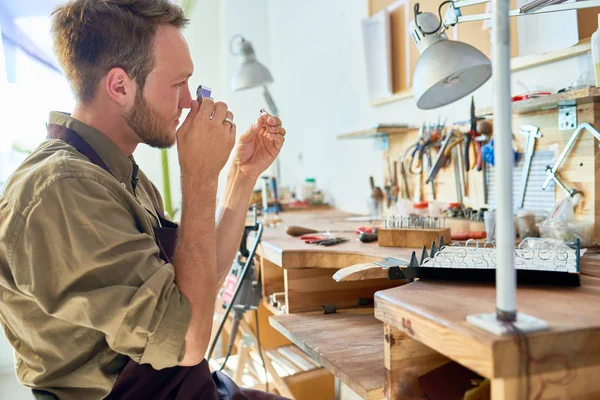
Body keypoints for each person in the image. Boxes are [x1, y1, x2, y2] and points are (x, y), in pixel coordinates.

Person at [0, 1, 287, 399]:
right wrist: (199, 176)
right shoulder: (62, 189)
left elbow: (197, 290)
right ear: (119, 86)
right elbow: (187, 341)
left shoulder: (115, 171)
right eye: (177, 84)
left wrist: (241, 177)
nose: (189, 100)